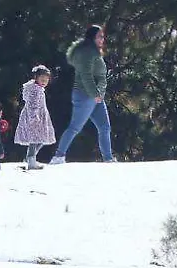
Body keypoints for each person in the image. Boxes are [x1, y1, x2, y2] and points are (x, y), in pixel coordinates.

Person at [50, 25, 114, 164]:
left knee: (104, 127)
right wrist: (95, 93)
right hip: (86, 95)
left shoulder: (94, 51)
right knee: (75, 127)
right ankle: (59, 156)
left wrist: (98, 94)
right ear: (92, 37)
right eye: (99, 36)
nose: (102, 39)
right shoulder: (87, 52)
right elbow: (86, 76)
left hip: (96, 96)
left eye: (102, 36)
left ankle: (108, 158)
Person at [16, 65, 57, 169]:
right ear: (36, 78)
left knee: (38, 138)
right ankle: (31, 159)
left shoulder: (37, 89)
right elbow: (33, 104)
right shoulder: (36, 90)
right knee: (35, 139)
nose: (44, 82)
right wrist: (34, 116)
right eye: (42, 79)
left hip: (38, 115)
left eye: (46, 80)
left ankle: (31, 158)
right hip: (35, 116)